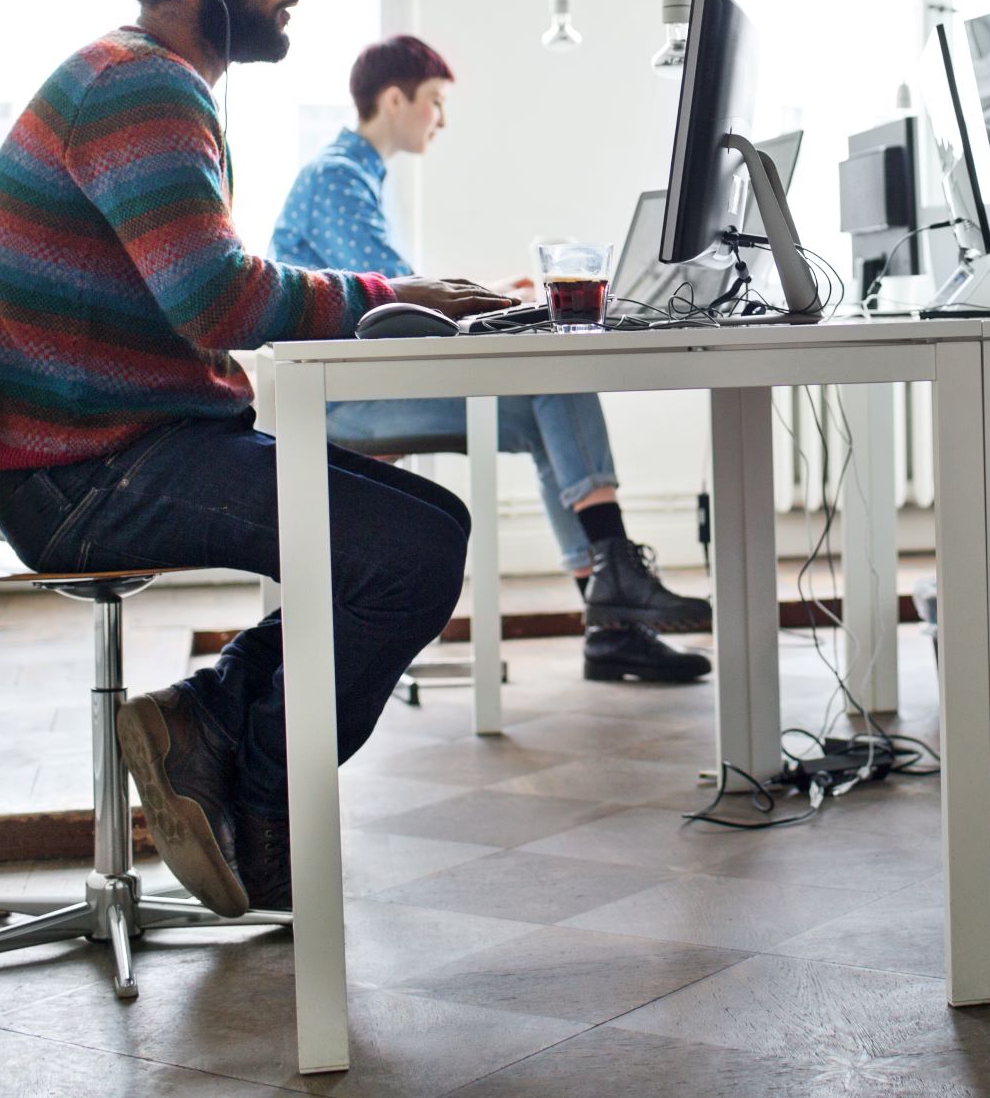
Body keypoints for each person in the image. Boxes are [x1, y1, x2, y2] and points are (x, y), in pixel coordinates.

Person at [0, 0, 515, 915]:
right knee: (409, 552)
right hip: (94, 477)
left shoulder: (146, 83)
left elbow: (213, 291)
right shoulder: (138, 91)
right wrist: (403, 299)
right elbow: (219, 298)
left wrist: (400, 298)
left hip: (123, 451)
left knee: (420, 534)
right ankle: (261, 815)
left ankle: (210, 727)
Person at [271, 35, 713, 685]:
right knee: (554, 379)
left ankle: (612, 623)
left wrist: (495, 297)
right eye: (435, 102)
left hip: (363, 385)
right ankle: (615, 585)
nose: (441, 119)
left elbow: (398, 292)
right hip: (340, 400)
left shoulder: (360, 173)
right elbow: (395, 297)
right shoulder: (339, 174)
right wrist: (495, 300)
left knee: (547, 407)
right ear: (395, 99)